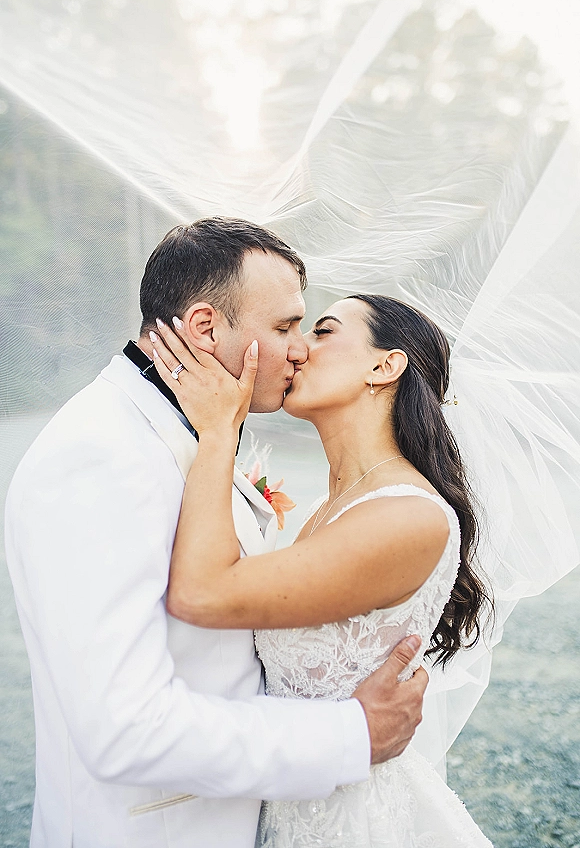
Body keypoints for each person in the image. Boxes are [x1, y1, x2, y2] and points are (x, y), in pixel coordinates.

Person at [4, 219, 428, 848]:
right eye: (284, 327)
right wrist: (350, 734)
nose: (299, 349)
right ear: (205, 328)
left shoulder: (190, 432)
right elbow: (126, 728)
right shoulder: (100, 455)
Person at [149, 292, 494, 847]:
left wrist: (218, 429)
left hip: (350, 822)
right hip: (292, 792)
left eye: (324, 331)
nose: (298, 349)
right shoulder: (337, 506)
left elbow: (204, 594)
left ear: (383, 366)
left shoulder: (406, 516)